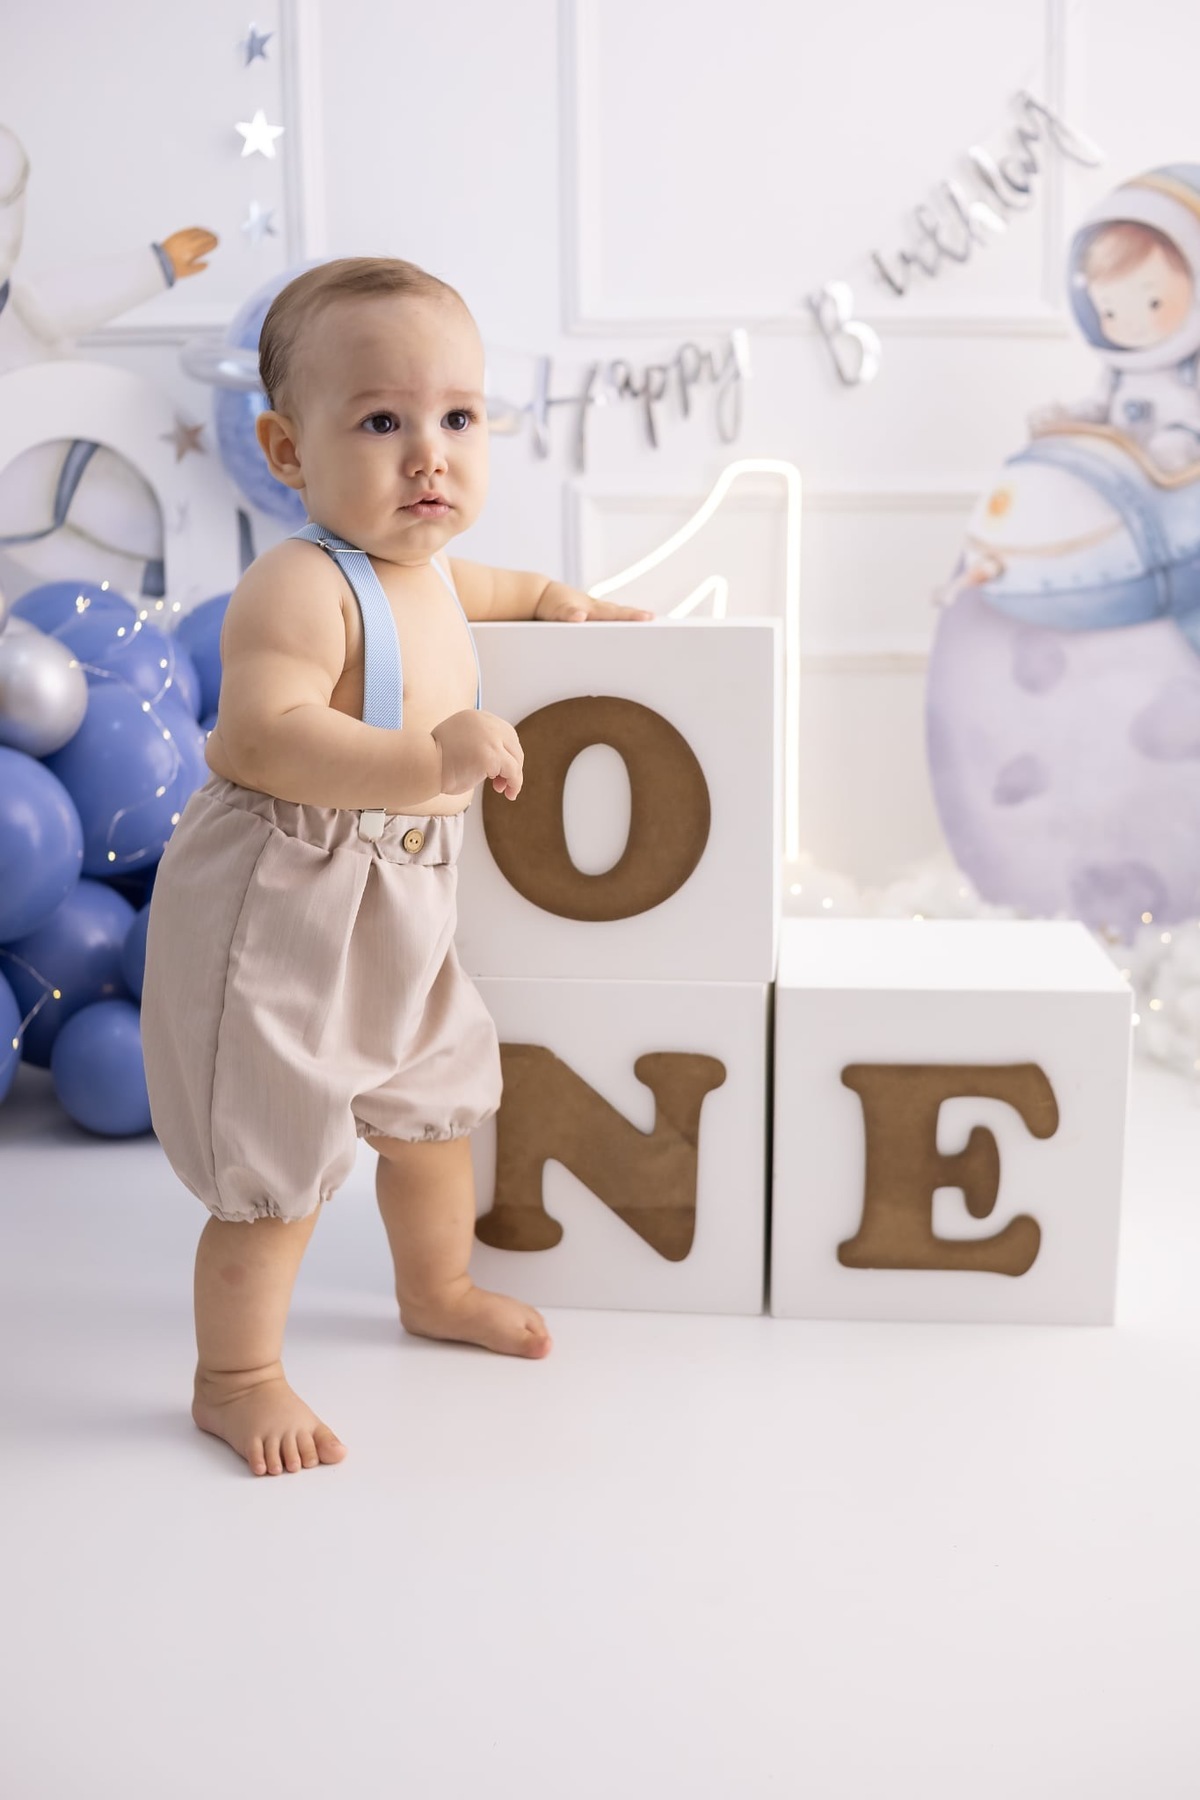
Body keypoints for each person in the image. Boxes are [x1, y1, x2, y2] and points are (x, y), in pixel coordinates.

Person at [140, 257, 652, 1478]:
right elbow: (259, 737)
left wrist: (554, 602)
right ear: (288, 448)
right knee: (282, 1154)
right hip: (286, 903)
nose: (430, 454)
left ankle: (439, 1286)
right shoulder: (299, 585)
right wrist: (429, 754)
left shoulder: (428, 575)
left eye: (457, 419)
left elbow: (496, 589)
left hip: (406, 902)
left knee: (436, 1110)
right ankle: (237, 1376)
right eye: (382, 421)